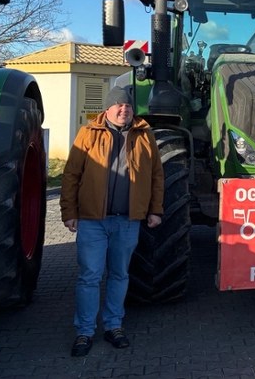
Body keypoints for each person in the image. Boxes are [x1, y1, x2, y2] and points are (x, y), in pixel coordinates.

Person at [60, 86, 164, 357]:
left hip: (128, 221)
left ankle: (113, 326)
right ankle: (84, 331)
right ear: (107, 108)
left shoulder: (145, 135)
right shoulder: (88, 133)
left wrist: (155, 210)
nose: (123, 109)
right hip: (93, 220)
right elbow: (71, 174)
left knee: (119, 274)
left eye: (128, 106)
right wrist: (69, 212)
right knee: (90, 276)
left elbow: (156, 176)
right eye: (118, 105)